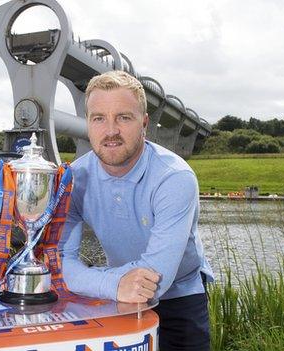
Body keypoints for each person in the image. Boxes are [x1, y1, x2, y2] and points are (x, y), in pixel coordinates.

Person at [59, 70, 214, 350]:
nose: (111, 131)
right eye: (99, 118)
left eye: (123, 117)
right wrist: (113, 285)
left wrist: (92, 279)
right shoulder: (73, 179)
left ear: (144, 123)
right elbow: (59, 263)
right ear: (88, 124)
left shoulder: (174, 177)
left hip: (180, 294)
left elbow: (157, 276)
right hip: (121, 291)